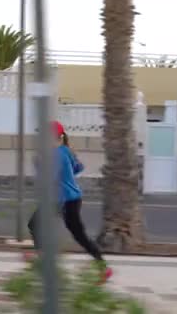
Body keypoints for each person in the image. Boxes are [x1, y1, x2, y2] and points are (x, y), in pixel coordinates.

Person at [26, 120, 112, 283]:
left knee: (39, 226)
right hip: (69, 199)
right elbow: (78, 167)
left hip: (63, 200)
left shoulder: (55, 154)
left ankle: (44, 261)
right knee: (72, 233)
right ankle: (103, 267)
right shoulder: (65, 151)